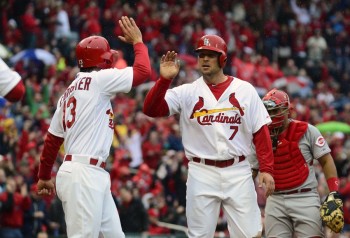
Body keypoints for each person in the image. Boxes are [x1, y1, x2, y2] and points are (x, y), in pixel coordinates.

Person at [143, 34, 275, 237]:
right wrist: (163, 80)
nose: (205, 59)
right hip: (201, 171)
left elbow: (260, 131)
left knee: (251, 234)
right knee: (199, 235)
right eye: (201, 55)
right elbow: (151, 109)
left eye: (211, 55)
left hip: (238, 170)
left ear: (223, 59)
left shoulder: (245, 90)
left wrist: (266, 168)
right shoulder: (187, 91)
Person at [36, 16, 151, 238]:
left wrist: (43, 175)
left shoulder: (68, 92)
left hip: (90, 172)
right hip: (83, 173)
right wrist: (138, 41)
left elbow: (52, 138)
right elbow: (143, 72)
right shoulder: (98, 81)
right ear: (102, 61)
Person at [249, 88, 341, 237]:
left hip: (305, 196)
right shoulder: (259, 135)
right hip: (275, 198)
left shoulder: (307, 131)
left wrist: (334, 193)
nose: (271, 116)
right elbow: (251, 171)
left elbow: (326, 160)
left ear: (287, 109)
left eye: (275, 110)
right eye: (268, 111)